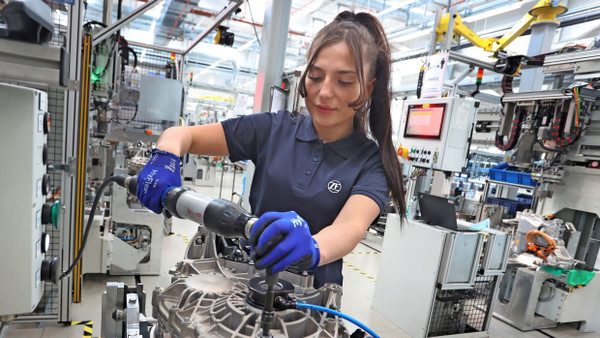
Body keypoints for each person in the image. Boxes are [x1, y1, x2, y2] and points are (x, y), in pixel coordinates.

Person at [136, 11, 406, 288]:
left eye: (344, 81)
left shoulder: (372, 162)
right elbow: (182, 135)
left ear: (369, 88)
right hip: (246, 281)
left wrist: (313, 247)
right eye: (315, 77)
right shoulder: (271, 129)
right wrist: (165, 157)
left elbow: (350, 227)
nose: (324, 92)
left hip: (313, 299)